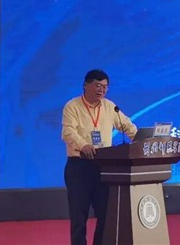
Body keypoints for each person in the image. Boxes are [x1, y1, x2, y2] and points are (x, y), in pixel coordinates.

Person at [61, 69, 138, 245]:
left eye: (105, 87)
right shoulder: (72, 106)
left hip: (104, 168)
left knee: (106, 214)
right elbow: (68, 132)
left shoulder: (110, 107)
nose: (101, 90)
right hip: (79, 167)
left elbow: (127, 126)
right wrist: (83, 145)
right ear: (85, 85)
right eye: (97, 86)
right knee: (79, 216)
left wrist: (141, 140)